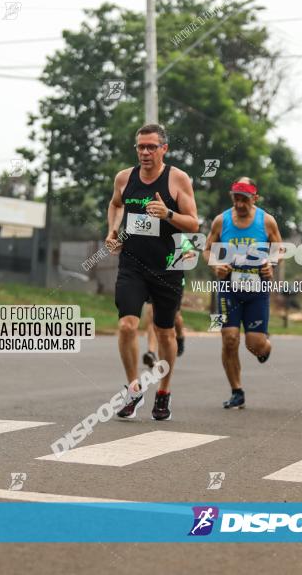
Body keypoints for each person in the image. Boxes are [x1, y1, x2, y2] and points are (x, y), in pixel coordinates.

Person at [106, 123, 198, 421]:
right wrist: (112, 231)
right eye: (140, 147)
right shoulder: (124, 178)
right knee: (127, 326)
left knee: (165, 332)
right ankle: (133, 389)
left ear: (164, 149)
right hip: (132, 265)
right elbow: (115, 204)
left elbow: (194, 224)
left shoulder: (177, 179)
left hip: (169, 265)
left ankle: (163, 392)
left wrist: (168, 213)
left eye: (151, 147)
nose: (145, 152)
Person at [203, 177, 283, 410]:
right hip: (229, 287)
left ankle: (265, 346)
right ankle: (237, 390)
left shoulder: (266, 221)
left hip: (257, 289)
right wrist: (216, 265)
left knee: (254, 344)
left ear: (254, 199)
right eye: (236, 199)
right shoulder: (221, 220)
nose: (239, 204)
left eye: (244, 200)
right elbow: (207, 250)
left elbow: (279, 249)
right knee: (229, 339)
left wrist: (271, 263)